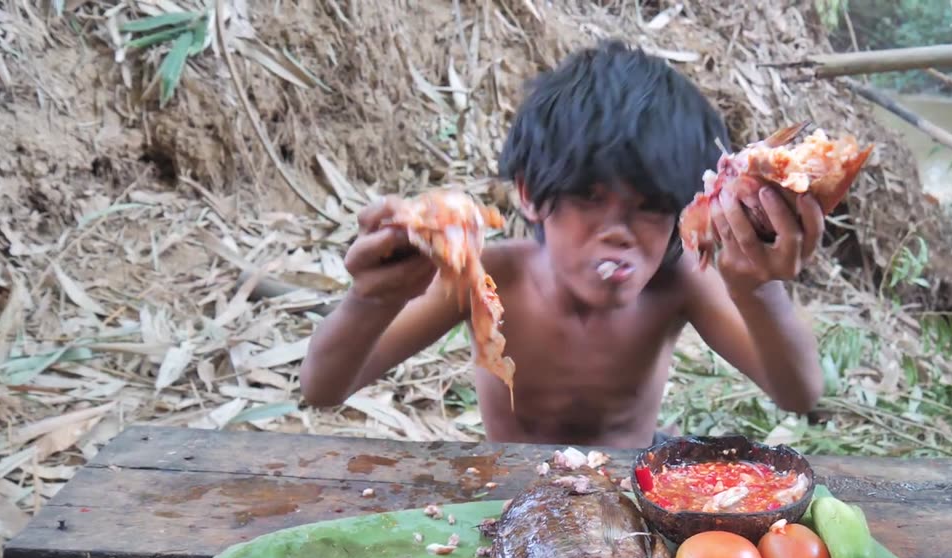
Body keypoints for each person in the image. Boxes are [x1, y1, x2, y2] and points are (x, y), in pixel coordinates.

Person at [299, 40, 825, 449]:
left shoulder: (680, 284)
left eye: (648, 206)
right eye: (590, 198)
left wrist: (758, 288)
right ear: (530, 194)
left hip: (627, 499)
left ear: (684, 211)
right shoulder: (485, 280)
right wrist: (373, 299)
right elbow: (323, 388)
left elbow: (798, 393)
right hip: (513, 497)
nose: (617, 230)